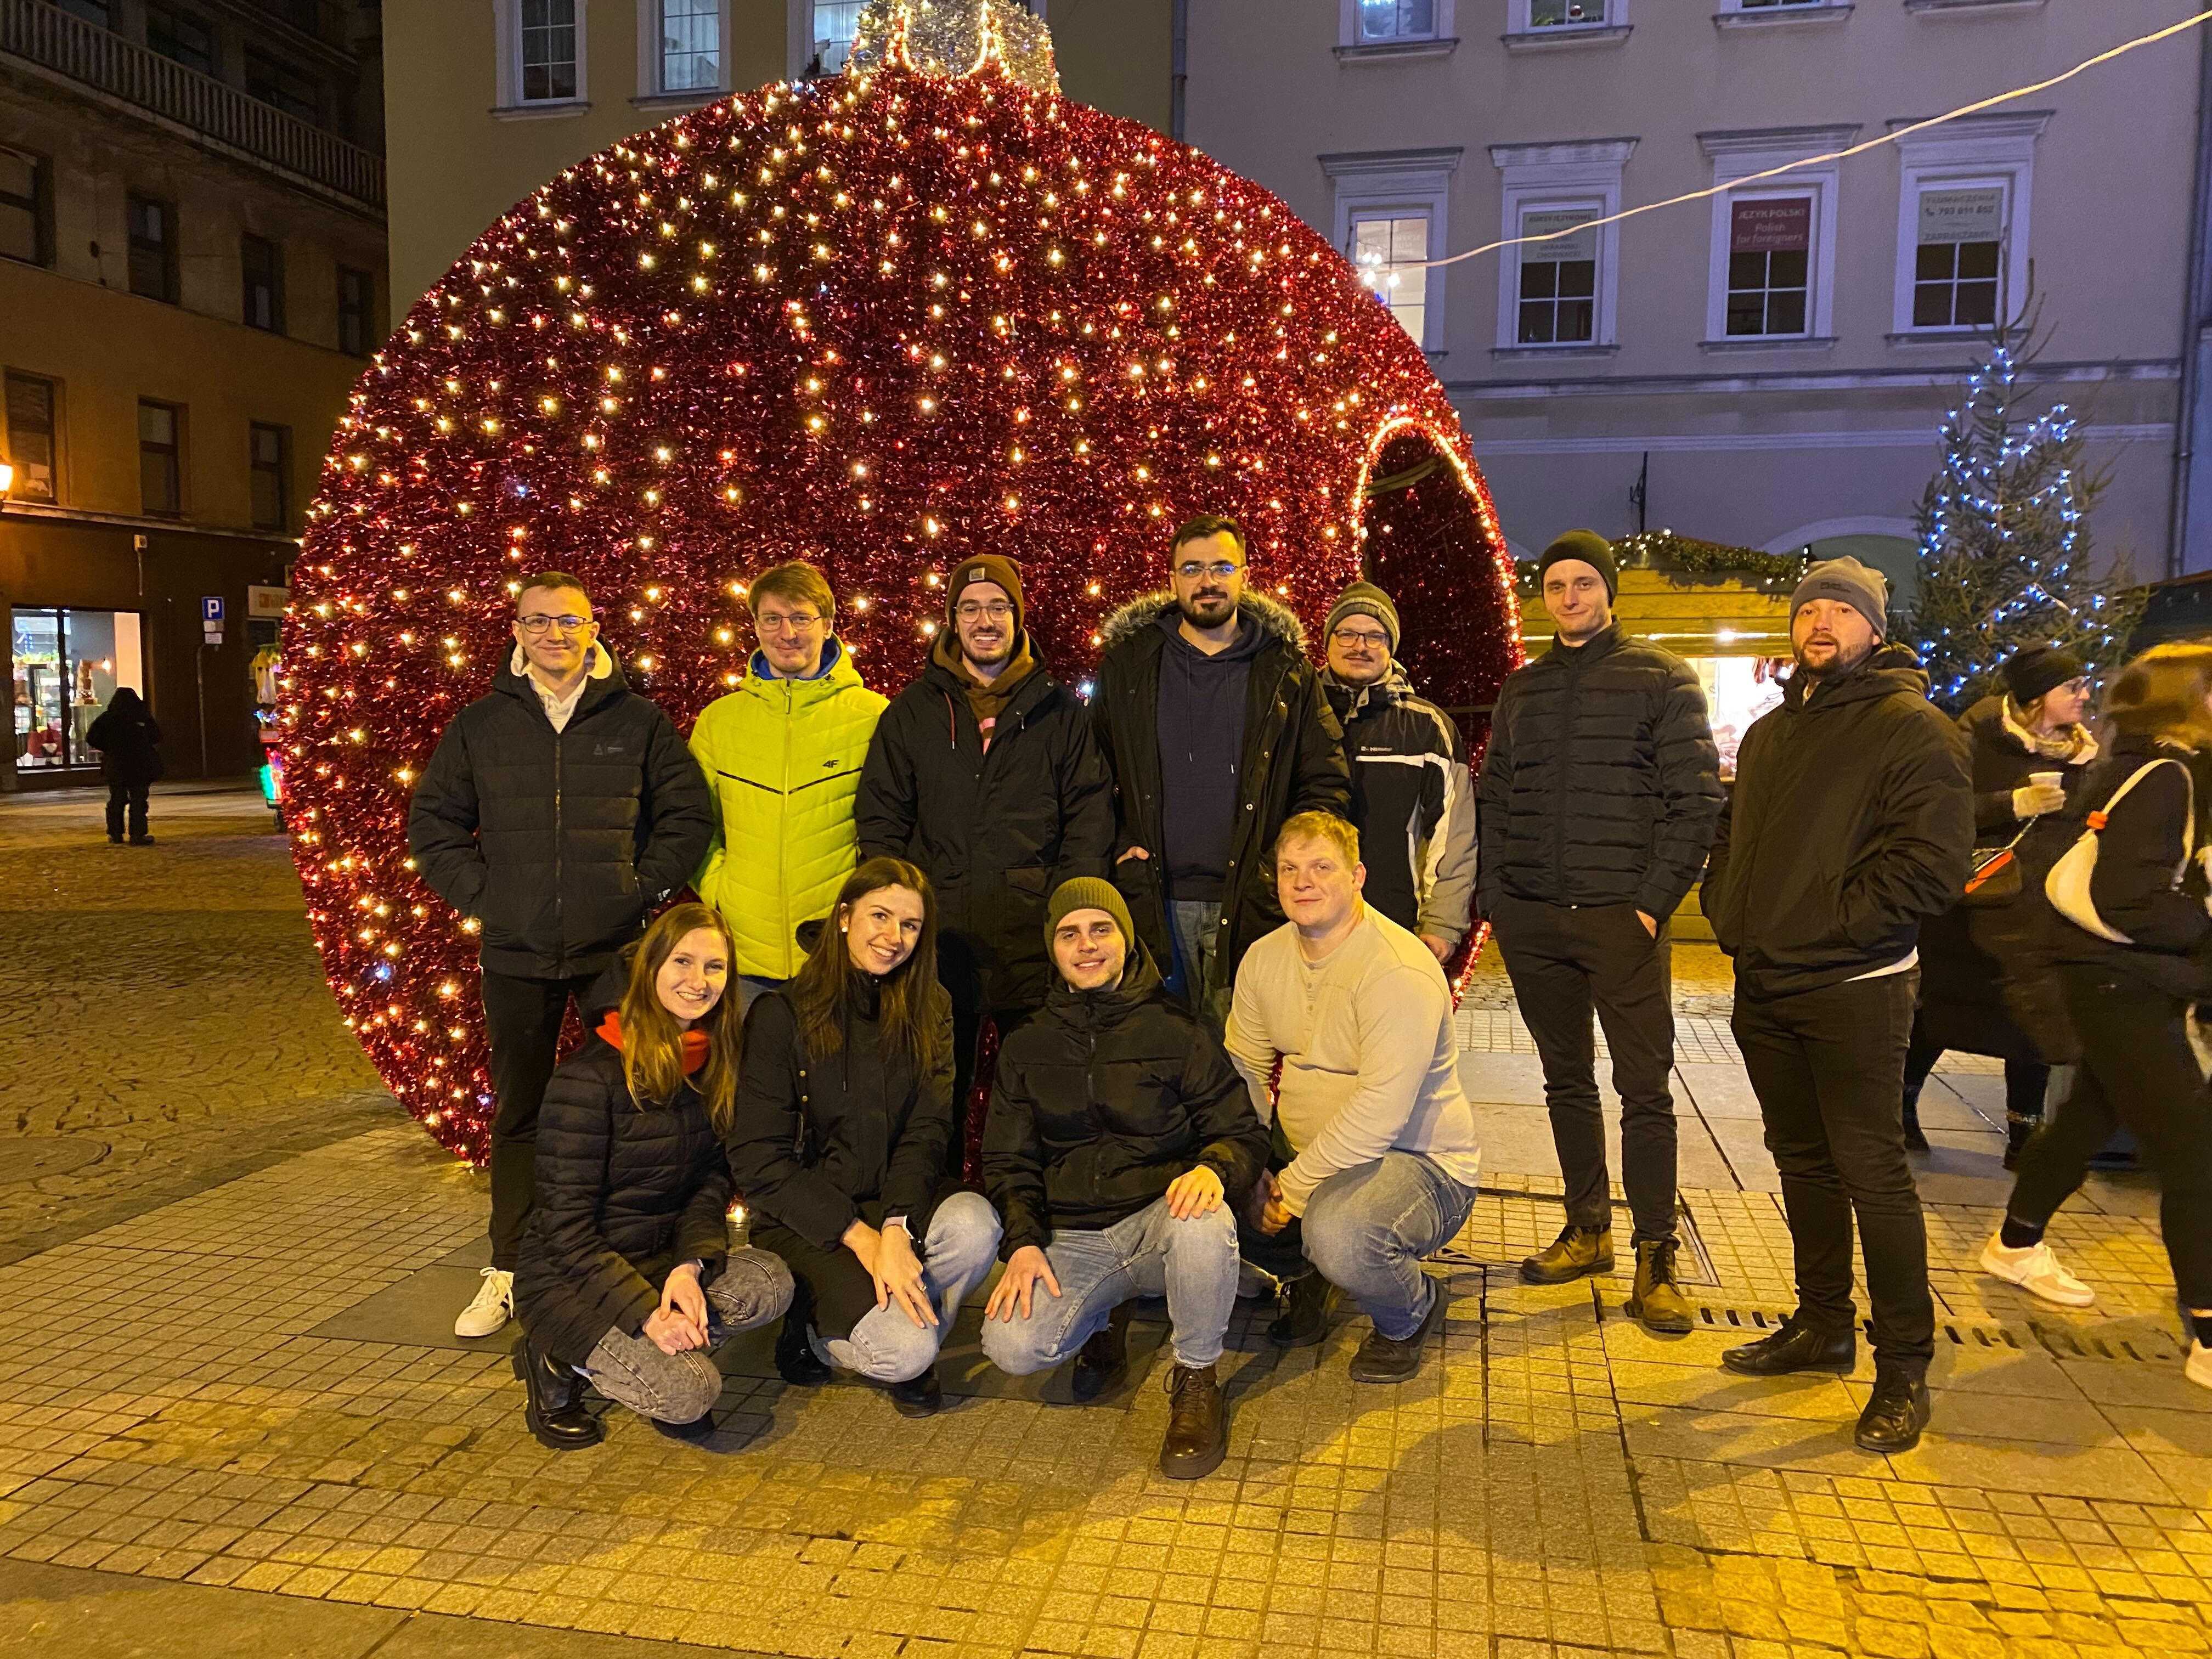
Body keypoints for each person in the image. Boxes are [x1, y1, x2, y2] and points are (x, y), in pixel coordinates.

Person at [1702, 556, 1972, 1454]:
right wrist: (1729, 911)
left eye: (1840, 609)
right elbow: (1735, 833)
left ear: (1872, 626)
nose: (1820, 620)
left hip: (1855, 988)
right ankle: (1821, 1323)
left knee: (1871, 1171)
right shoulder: (1778, 730)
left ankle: (1904, 1365)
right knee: (1802, 1163)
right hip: (1767, 983)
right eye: (1808, 606)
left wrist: (1824, 928)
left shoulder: (1912, 728)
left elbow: (1929, 868)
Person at [409, 572, 714, 1340]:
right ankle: (510, 1264)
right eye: (537, 622)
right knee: (519, 1114)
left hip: (610, 956)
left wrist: (635, 894)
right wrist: (490, 899)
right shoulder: (481, 725)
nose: (553, 635)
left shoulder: (637, 721)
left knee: (628, 1107)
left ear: (592, 628)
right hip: (515, 955)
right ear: (515, 630)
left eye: (567, 622)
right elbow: (435, 824)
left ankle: (613, 1260)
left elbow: (686, 816)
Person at [1476, 531, 1722, 1332]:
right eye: (1556, 585)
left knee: (1644, 1091)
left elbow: (1696, 804)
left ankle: (1658, 1257)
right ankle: (1589, 1228)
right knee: (1565, 1080)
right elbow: (1497, 796)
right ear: (1543, 597)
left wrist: (1650, 904)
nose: (1570, 597)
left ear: (1609, 591)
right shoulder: (1525, 688)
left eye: (1584, 583)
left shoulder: (1662, 680)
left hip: (1622, 920)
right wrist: (1496, 897)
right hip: (1534, 917)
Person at [1980, 644, 2212, 1392]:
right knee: (2197, 1157)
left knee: (2087, 1118)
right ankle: (2208, 1330)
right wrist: (2204, 932)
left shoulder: (2132, 762)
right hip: (2123, 983)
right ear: (2188, 700)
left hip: (2111, 979)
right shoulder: (2167, 775)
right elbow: (2128, 898)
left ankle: (2016, 1244)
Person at [980, 878, 1269, 1479]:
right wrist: (1024, 1243)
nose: (1086, 945)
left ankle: (1195, 1378)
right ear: (1054, 948)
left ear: (1126, 939)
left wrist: (1215, 1169)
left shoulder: (1175, 1029)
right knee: (1013, 1345)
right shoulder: (1027, 1043)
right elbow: (1008, 1162)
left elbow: (1240, 1129)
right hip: (1073, 1235)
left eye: (1101, 929)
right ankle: (1103, 1320)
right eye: (1070, 933)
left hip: (1156, 1220)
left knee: (1202, 1219)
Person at [857, 553, 1114, 1167]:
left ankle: (1037, 1217)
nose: (984, 620)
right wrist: (897, 917)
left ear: (1018, 618)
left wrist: (1072, 911)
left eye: (998, 606)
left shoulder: (1059, 713)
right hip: (939, 943)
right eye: (969, 609)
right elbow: (882, 820)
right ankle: (940, 1217)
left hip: (1035, 939)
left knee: (1040, 1090)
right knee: (934, 1093)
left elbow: (1089, 814)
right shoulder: (913, 712)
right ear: (951, 622)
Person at [726, 857, 1003, 1415]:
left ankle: (905, 1323)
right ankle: (813, 1332)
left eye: (910, 925)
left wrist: (897, 1227)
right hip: (810, 1218)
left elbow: (929, 1127)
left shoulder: (932, 1008)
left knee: (976, 1226)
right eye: (880, 916)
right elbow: (758, 1160)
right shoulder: (782, 1014)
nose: (893, 936)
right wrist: (862, 1238)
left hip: (892, 1198)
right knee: (901, 1355)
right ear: (845, 918)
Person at [511, 904, 795, 1448]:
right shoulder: (589, 1080)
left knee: (770, 1280)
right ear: (650, 970)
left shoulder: (709, 1065)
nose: (699, 981)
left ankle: (657, 1349)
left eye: (716, 967)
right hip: (572, 1283)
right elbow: (565, 1231)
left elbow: (708, 1185)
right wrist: (647, 1316)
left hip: (658, 1263)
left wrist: (688, 1269)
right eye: (682, 962)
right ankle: (556, 1355)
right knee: (691, 1396)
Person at [1224, 812, 1483, 1383]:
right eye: (1290, 869)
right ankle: (1308, 1274)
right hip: (1311, 1158)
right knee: (1212, 1190)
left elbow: (1380, 1115)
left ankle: (1410, 1313)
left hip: (1421, 1164)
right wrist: (1252, 1165)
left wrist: (1289, 1191)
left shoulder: (1397, 968)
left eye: (1322, 867)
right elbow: (1243, 1066)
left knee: (1340, 1235)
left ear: (1357, 876)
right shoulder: (1264, 958)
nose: (1303, 882)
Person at [1091, 514, 1350, 1032]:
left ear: (1244, 576)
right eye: (1192, 568)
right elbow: (1088, 772)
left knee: (1242, 1067)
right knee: (1159, 1061)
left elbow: (1325, 780)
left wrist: (1288, 859)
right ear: (1172, 579)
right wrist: (1115, 841)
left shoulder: (1286, 670)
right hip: (1154, 901)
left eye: (1221, 567)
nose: (1207, 581)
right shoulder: (1130, 666)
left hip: (1253, 899)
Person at [1900, 646, 2096, 1164]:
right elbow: (1938, 808)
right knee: (1942, 1010)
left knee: (2032, 1020)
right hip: (1976, 907)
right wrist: (2011, 803)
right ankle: (1901, 1104)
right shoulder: (1974, 742)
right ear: (2036, 698)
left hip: (2045, 910)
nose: (2084, 696)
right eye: (2071, 687)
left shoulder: (2086, 754)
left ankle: (2024, 1135)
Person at [690, 561, 889, 1014]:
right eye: (772, 619)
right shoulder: (719, 721)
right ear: (756, 625)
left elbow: (895, 822)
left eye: (801, 618)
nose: (787, 633)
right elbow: (694, 823)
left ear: (828, 625)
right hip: (745, 958)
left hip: (839, 953)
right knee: (753, 1083)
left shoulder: (873, 715)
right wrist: (720, 891)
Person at [1318, 581, 1476, 962]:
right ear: (1327, 641)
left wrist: (1441, 923)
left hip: (1395, 929)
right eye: (1348, 633)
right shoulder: (1294, 715)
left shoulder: (1427, 727)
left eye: (1375, 636)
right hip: (1304, 925)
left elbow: (1453, 834)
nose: (1360, 646)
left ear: (1391, 647)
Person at [85, 687, 162, 845]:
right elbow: (156, 736)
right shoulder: (141, 717)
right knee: (139, 800)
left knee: (117, 799)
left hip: (116, 765)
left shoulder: (107, 718)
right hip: (139, 764)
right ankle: (137, 834)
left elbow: (92, 737)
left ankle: (115, 834)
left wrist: (109, 748)